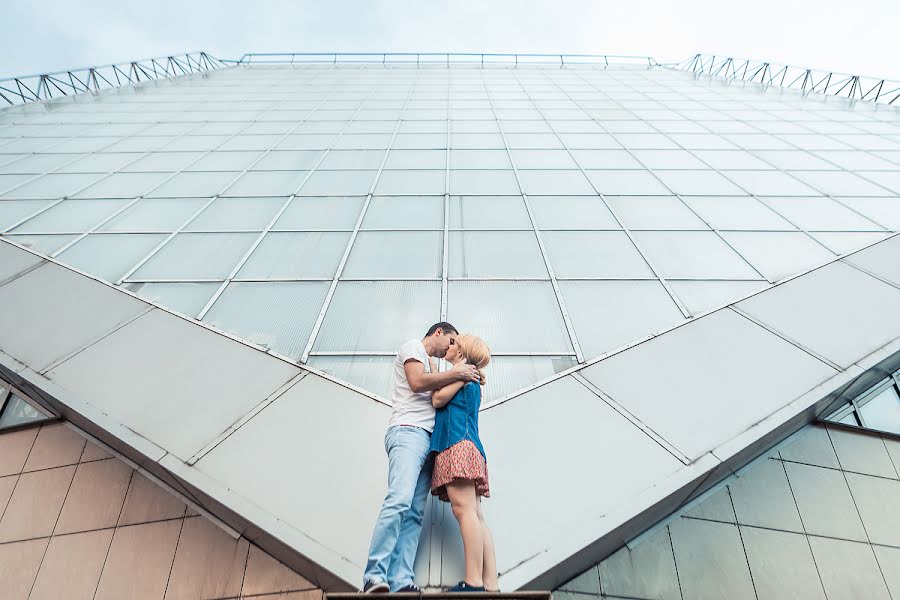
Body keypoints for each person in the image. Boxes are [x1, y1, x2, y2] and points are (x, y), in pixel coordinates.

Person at [363, 322, 480, 594]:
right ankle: (373, 576)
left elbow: (440, 399)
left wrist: (458, 376)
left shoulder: (437, 367)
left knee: (415, 514)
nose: (452, 348)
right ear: (438, 333)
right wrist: (457, 374)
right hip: (407, 432)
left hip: (428, 442)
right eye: (451, 341)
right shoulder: (413, 347)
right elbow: (416, 383)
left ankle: (401, 580)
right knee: (399, 500)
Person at [429, 334, 497, 593]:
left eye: (455, 343)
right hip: (471, 447)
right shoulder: (469, 379)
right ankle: (490, 583)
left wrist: (448, 373)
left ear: (463, 352)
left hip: (457, 445)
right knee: (476, 515)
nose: (450, 345)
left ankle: (474, 582)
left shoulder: (463, 375)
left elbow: (437, 400)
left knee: (464, 511)